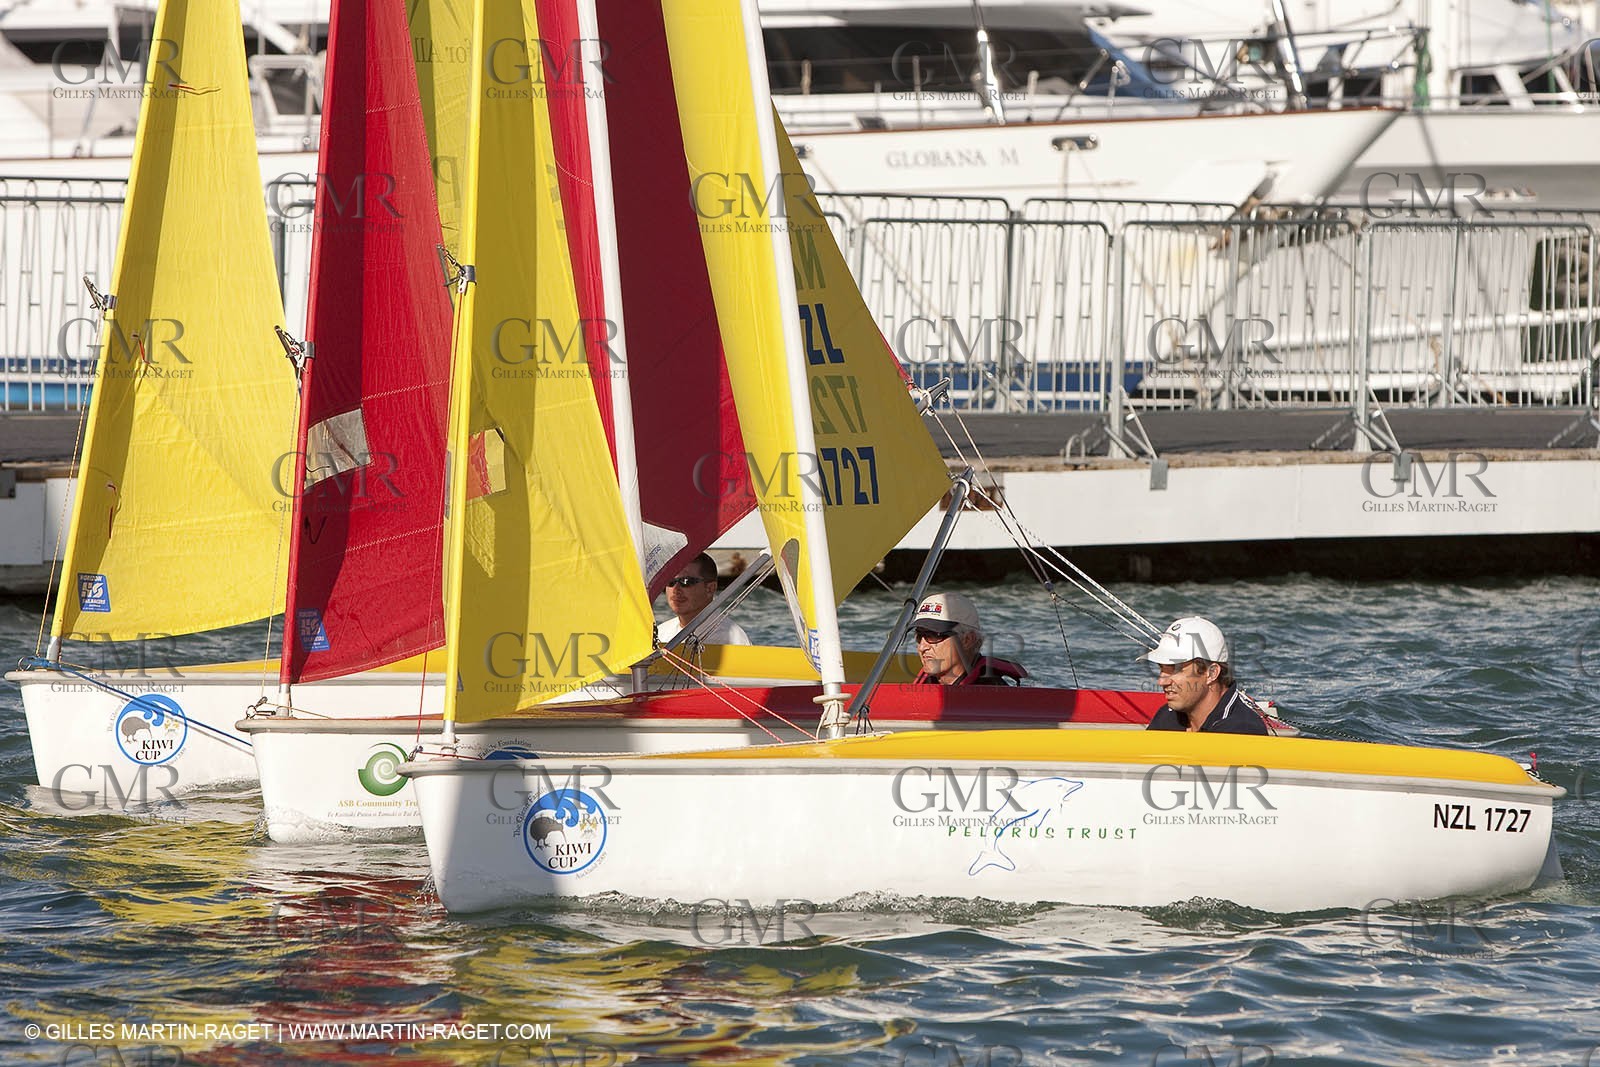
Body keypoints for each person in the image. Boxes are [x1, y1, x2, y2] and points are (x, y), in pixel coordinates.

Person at [1140, 617, 1269, 734]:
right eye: (1162, 669)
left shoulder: (1241, 730)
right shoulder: (1167, 716)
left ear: (1211, 673)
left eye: (1175, 670)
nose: (1162, 682)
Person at [910, 592, 1026, 686]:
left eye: (934, 635)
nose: (922, 647)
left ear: (967, 640)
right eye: (920, 635)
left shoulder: (993, 696)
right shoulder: (924, 686)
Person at [657, 552, 751, 646]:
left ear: (710, 588)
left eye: (686, 581)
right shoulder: (660, 635)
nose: (675, 589)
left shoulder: (733, 640)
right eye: (670, 581)